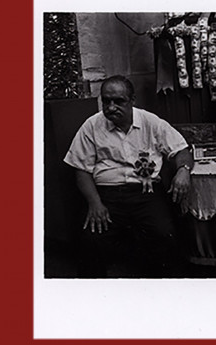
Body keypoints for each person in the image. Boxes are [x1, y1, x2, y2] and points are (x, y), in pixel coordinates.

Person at [64, 75, 193, 278]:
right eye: (106, 101)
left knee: (164, 235)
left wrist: (183, 170)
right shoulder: (91, 126)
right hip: (107, 197)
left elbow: (181, 150)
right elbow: (81, 169)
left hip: (146, 193)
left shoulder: (151, 122)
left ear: (133, 101)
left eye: (119, 101)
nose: (111, 107)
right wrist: (95, 203)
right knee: (90, 240)